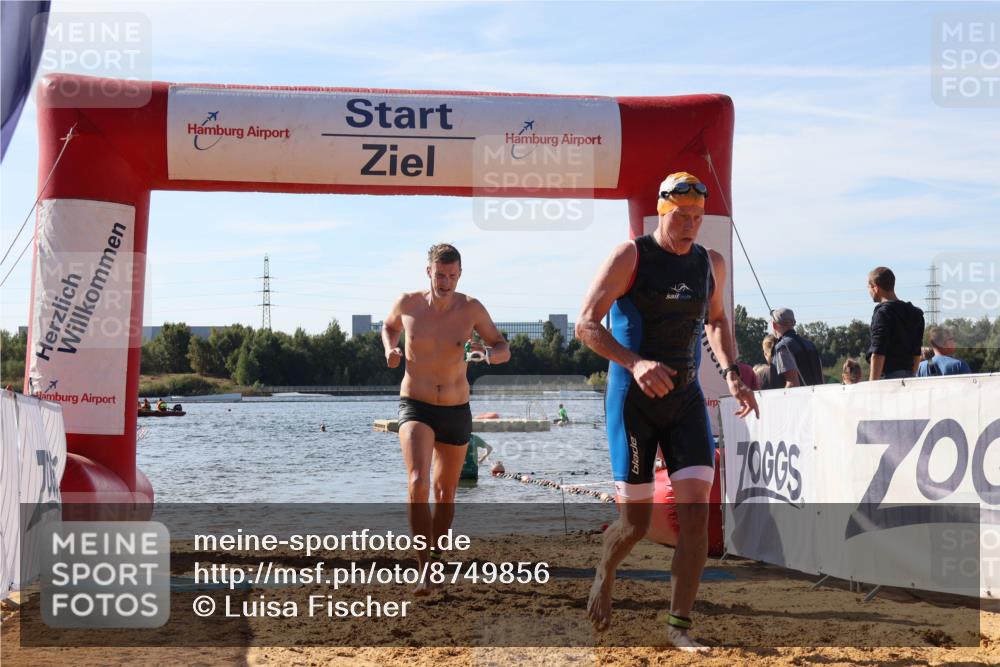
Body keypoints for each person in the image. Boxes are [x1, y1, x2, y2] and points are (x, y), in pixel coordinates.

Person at [575, 171, 758, 650]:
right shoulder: (630, 256)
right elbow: (585, 325)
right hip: (633, 403)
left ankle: (679, 627)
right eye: (681, 216)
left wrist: (732, 373)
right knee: (634, 525)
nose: (691, 225)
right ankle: (605, 570)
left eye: (697, 216)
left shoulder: (710, 263)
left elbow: (717, 321)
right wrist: (634, 363)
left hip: (685, 401)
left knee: (696, 516)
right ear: (661, 211)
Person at [382, 243, 510, 594]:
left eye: (452, 276)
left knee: (445, 493)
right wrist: (390, 348)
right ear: (429, 272)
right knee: (418, 481)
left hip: (455, 408)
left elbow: (503, 347)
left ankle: (435, 559)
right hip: (416, 403)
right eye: (440, 275)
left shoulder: (471, 308)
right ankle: (424, 568)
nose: (446, 282)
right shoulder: (408, 303)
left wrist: (487, 354)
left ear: (460, 274)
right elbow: (388, 326)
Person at [769, 308, 824, 386]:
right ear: (794, 323)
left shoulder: (783, 347)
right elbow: (821, 378)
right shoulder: (810, 345)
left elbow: (793, 384)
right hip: (819, 393)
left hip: (801, 394)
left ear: (774, 325)